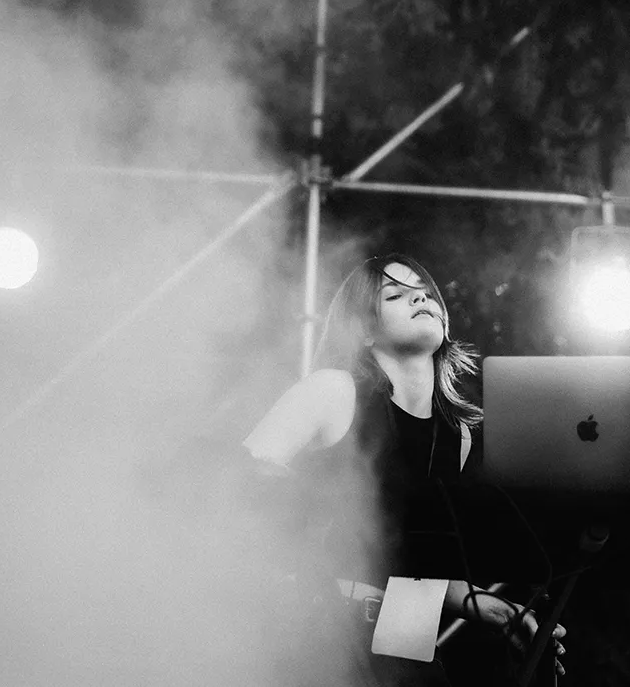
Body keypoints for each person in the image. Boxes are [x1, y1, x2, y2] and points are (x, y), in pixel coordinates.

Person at [243, 253, 566, 685]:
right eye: (395, 295)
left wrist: (495, 609)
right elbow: (245, 475)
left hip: (408, 638)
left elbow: (416, 559)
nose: (420, 299)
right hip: (320, 634)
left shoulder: (461, 435)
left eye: (425, 292)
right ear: (362, 329)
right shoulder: (334, 389)